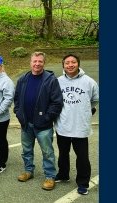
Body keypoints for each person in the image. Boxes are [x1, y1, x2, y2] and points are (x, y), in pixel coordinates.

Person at [14, 51, 63, 190]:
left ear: (44, 63)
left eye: (40, 61)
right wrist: (19, 114)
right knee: (26, 150)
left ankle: (49, 176)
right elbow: (16, 99)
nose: (37, 64)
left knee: (47, 152)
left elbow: (57, 103)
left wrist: (47, 118)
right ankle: (28, 171)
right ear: (30, 62)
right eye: (34, 61)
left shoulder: (51, 80)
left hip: (44, 125)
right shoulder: (23, 79)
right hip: (26, 123)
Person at [53, 54, 99, 195]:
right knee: (63, 153)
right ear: (63, 65)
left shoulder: (89, 82)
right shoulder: (58, 81)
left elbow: (95, 99)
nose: (70, 65)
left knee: (82, 157)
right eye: (67, 63)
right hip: (63, 125)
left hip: (80, 126)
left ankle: (83, 183)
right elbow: (53, 100)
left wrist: (86, 111)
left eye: (73, 62)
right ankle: (63, 174)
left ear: (78, 64)